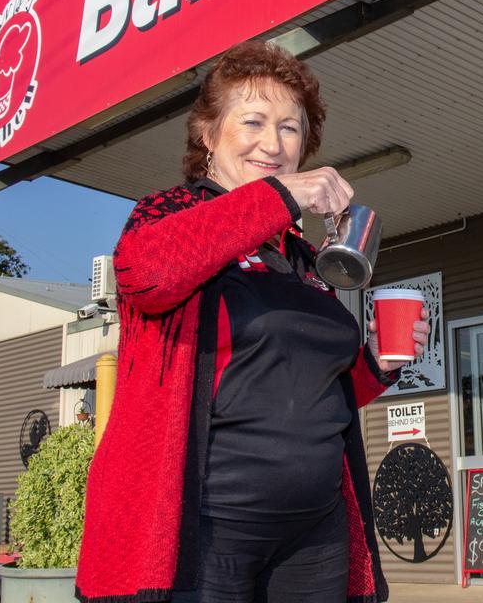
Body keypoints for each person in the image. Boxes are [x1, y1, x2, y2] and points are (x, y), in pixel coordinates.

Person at [75, 40, 430, 603]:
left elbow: (309, 389)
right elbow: (146, 274)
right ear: (208, 135)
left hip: (315, 529)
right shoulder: (169, 213)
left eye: (290, 128)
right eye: (254, 121)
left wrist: (376, 365)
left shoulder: (304, 258)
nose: (274, 143)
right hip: (210, 526)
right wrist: (281, 194)